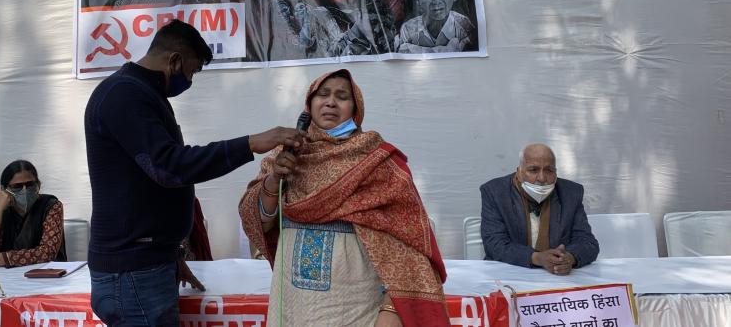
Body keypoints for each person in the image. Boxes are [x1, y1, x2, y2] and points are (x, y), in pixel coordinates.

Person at [84, 19, 305, 327]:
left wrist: (170, 255)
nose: (189, 80)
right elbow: (169, 166)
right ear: (174, 60)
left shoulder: (145, 95)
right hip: (133, 273)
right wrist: (251, 144)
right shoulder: (125, 96)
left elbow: (148, 185)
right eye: (191, 71)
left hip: (148, 265)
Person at [239, 69, 450, 327]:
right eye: (323, 95)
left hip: (356, 308)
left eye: (342, 96)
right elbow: (257, 223)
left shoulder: (377, 162)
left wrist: (391, 310)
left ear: (355, 108)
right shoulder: (284, 156)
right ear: (310, 104)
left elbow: (412, 242)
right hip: (291, 306)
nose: (330, 102)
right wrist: (273, 180)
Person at [479, 143, 600, 274]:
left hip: (557, 277)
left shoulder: (570, 193)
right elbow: (494, 244)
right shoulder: (495, 192)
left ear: (555, 172)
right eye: (533, 170)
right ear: (519, 172)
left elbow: (588, 243)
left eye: (549, 170)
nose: (542, 178)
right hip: (507, 274)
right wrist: (537, 258)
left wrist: (569, 258)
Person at [0, 159, 66, 270]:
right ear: (4, 189)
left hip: (44, 273)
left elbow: (48, 252)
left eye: (30, 185)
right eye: (17, 187)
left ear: (38, 184)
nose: (24, 191)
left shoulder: (50, 206)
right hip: (2, 276)